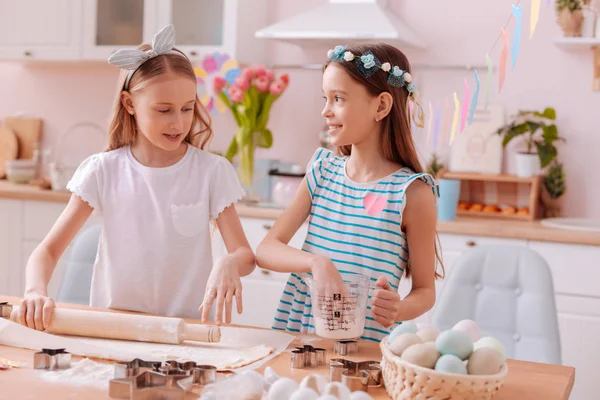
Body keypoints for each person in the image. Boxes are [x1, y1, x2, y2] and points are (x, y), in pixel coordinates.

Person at [17, 25, 254, 331]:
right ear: (130, 104)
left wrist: (230, 261)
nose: (178, 122)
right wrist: (35, 291)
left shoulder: (211, 171)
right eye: (164, 110)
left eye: (187, 108)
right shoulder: (103, 171)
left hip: (185, 331)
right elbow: (47, 251)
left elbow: (245, 255)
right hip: (116, 329)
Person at [256, 43, 443, 342]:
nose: (325, 111)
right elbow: (266, 249)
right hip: (302, 338)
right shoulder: (322, 170)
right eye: (326, 98)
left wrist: (398, 308)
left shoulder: (413, 193)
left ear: (381, 106)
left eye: (338, 99)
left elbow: (424, 292)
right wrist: (317, 263)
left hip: (365, 347)